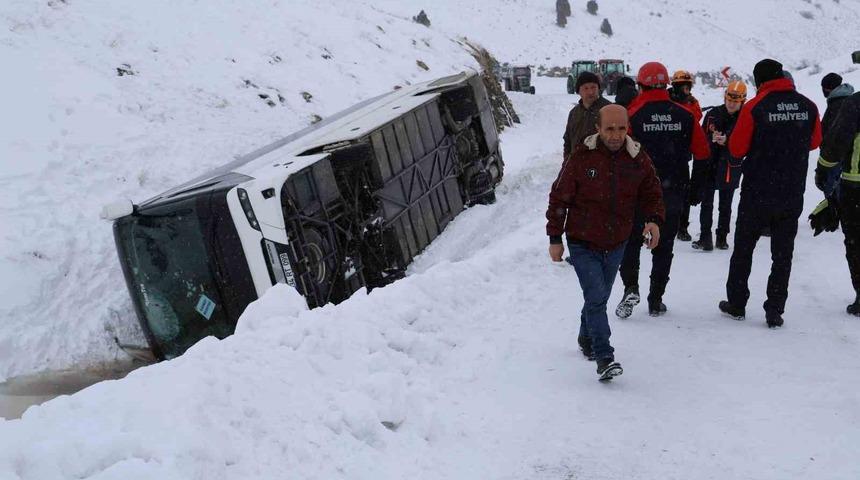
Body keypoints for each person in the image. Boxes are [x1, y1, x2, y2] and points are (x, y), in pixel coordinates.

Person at [546, 104, 665, 380]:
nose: (615, 135)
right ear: (597, 129)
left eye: (621, 128)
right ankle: (604, 356)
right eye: (609, 128)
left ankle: (585, 337)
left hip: (617, 242)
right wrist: (555, 238)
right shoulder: (581, 158)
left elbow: (652, 192)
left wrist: (654, 220)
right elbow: (558, 198)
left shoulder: (637, 158)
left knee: (596, 296)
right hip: (582, 241)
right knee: (597, 298)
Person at [719, 59, 822, 328]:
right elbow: (815, 141)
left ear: (759, 81)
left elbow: (737, 148)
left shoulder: (755, 107)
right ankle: (775, 308)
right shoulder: (808, 106)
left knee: (743, 249)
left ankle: (737, 303)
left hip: (757, 192)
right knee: (783, 253)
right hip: (791, 192)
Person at [616, 62, 710, 318]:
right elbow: (703, 154)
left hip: (636, 191)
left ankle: (630, 287)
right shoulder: (686, 114)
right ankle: (656, 299)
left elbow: (618, 156)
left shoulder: (631, 115)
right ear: (666, 84)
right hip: (672, 189)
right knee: (664, 245)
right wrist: (696, 189)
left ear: (640, 85)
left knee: (631, 242)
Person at [816, 90, 860, 315]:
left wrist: (823, 168)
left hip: (855, 184)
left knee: (855, 243)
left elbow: (837, 141)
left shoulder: (856, 103)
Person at [690, 81, 747, 251]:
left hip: (730, 166)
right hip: (710, 164)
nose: (731, 104)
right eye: (729, 100)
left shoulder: (745, 118)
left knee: (725, 204)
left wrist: (728, 140)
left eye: (735, 102)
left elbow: (746, 141)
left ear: (742, 101)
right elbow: (700, 137)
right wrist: (711, 139)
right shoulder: (713, 114)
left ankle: (722, 238)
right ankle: (705, 238)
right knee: (706, 203)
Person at [669, 69, 704, 242]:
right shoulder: (665, 99)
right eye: (682, 86)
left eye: (687, 87)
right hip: (663, 152)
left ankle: (682, 227)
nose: (685, 90)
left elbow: (697, 117)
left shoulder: (692, 103)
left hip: (682, 154)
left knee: (684, 192)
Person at [563, 71, 612, 158]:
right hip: (577, 164)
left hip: (602, 164)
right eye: (586, 88)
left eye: (593, 87)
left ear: (598, 88)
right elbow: (568, 140)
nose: (590, 92)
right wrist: (567, 160)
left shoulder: (609, 109)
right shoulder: (574, 113)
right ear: (579, 91)